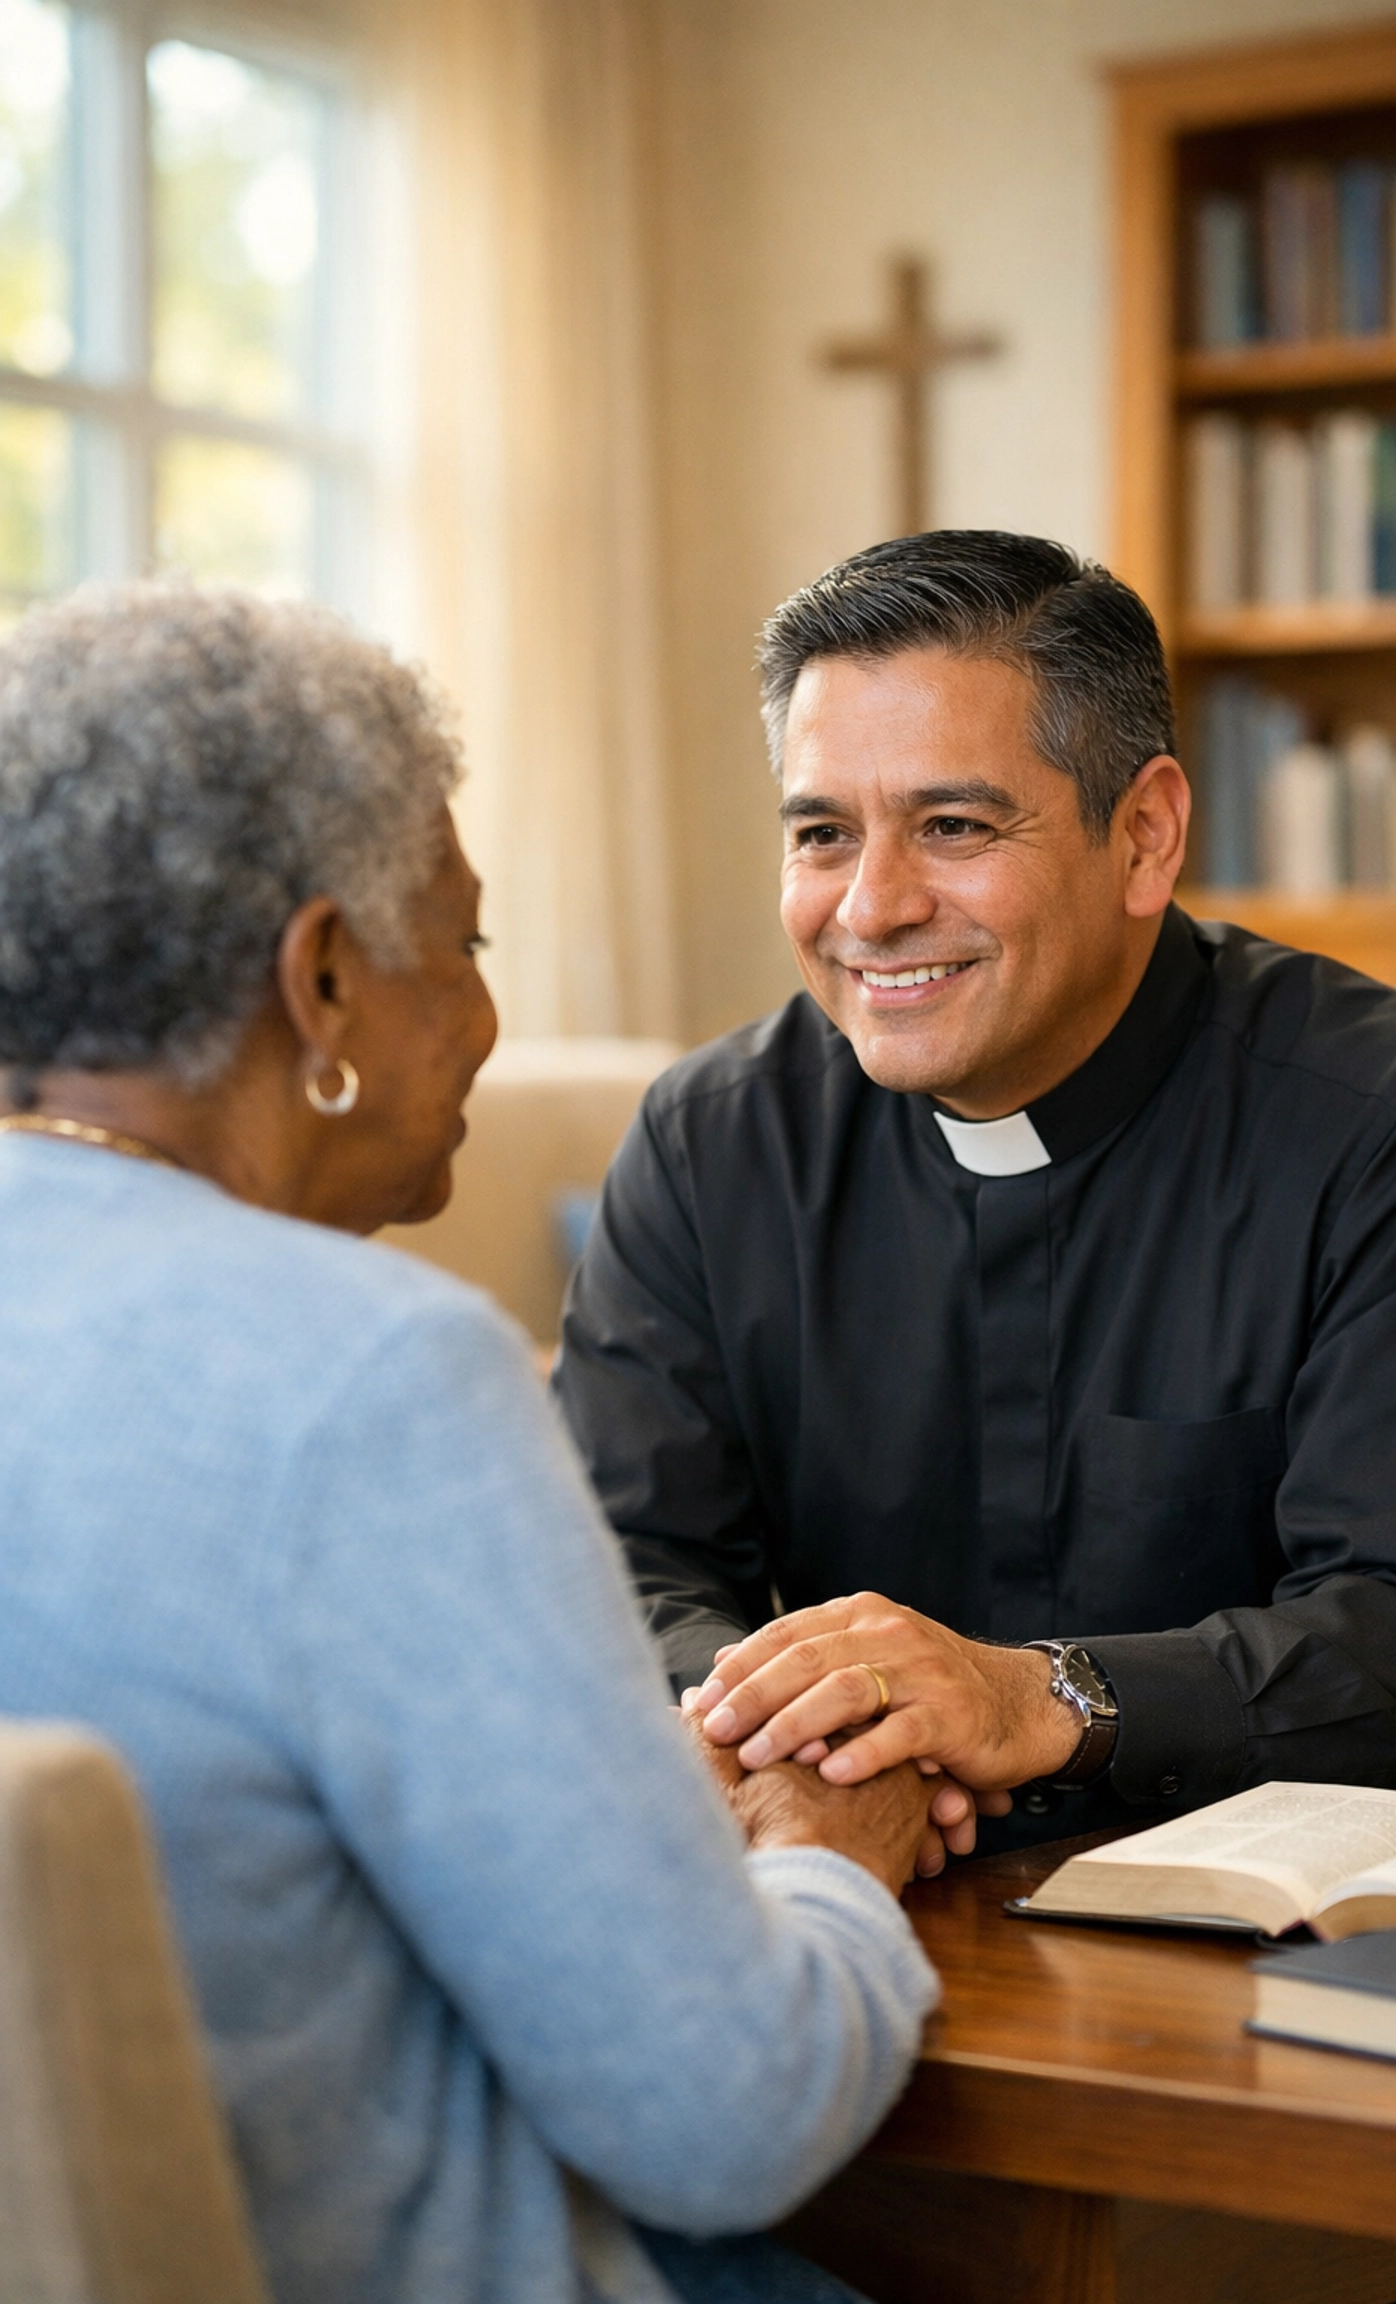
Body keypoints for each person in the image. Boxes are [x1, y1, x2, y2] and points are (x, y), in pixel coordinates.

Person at [0, 581, 945, 2304]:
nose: (481, 1014)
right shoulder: (376, 1376)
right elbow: (729, 2115)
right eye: (467, 948)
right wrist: (833, 1846)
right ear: (323, 981)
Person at [553, 529, 1396, 1855]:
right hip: (851, 1874)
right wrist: (825, 1736)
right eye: (823, 834)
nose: (871, 908)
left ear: (1144, 836)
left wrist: (1036, 1699)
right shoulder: (708, 1142)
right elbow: (613, 1571)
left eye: (953, 827)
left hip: (1259, 1914)